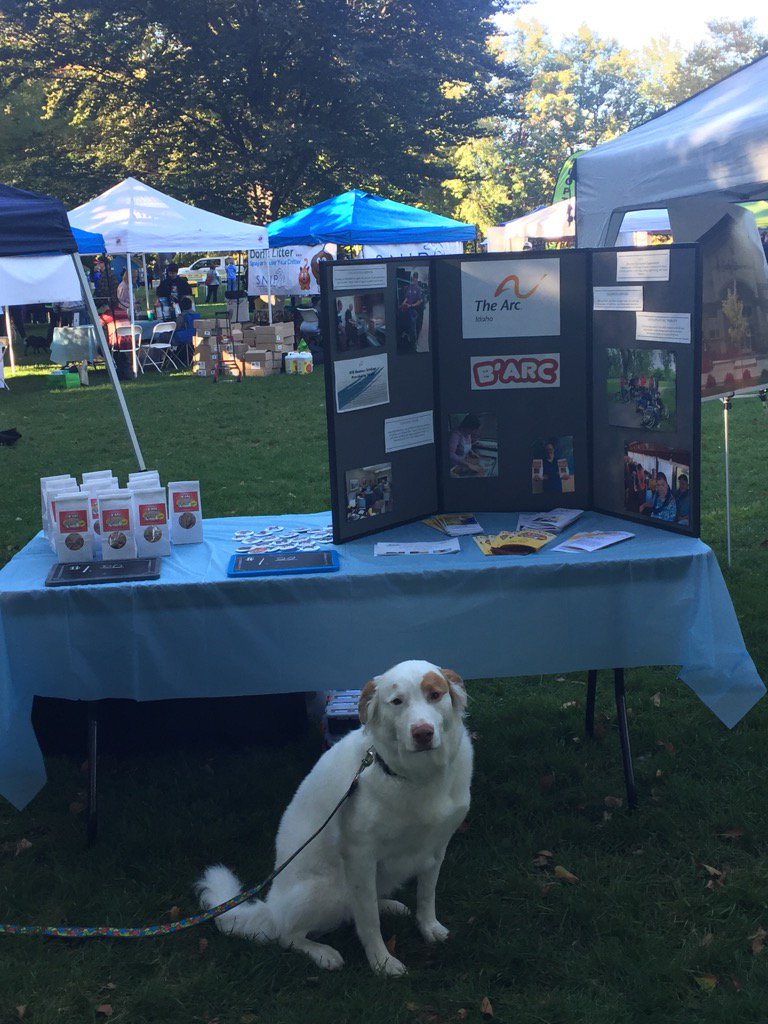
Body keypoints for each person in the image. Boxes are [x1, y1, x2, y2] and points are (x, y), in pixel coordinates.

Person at [173, 296, 200, 366]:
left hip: (184, 337)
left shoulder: (182, 316)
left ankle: (167, 359)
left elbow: (177, 328)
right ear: (191, 305)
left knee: (164, 337)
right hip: (196, 336)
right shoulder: (197, 315)